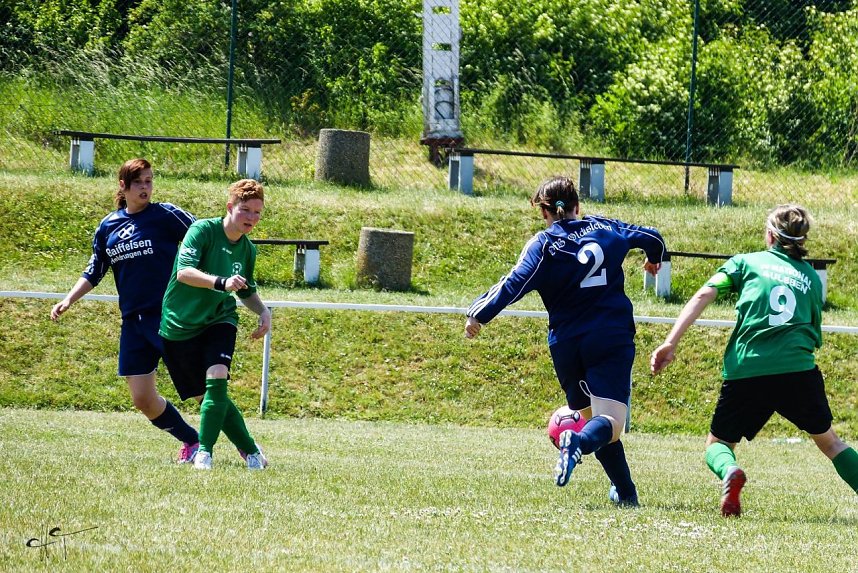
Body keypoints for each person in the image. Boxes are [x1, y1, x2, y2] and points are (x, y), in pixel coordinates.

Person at [464, 176, 666, 506]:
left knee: (593, 419)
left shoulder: (543, 244)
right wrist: (653, 259)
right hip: (610, 335)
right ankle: (577, 444)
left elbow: (515, 282)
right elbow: (650, 237)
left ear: (544, 212)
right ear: (577, 205)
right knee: (610, 423)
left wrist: (478, 314)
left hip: (567, 343)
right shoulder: (606, 226)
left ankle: (626, 495)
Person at [650, 204, 858, 517]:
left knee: (717, 444)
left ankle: (730, 470)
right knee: (831, 443)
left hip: (747, 368)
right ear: (801, 240)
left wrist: (670, 342)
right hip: (797, 370)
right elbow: (815, 334)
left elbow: (703, 296)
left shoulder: (746, 263)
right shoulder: (811, 279)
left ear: (771, 234)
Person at [50, 158, 201, 463]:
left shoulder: (165, 215)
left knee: (200, 391)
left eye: (149, 181)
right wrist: (69, 299)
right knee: (143, 399)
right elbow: (96, 269)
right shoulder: (109, 226)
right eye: (139, 182)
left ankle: (245, 445)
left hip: (169, 316)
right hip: (133, 322)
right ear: (123, 186)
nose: (145, 187)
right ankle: (192, 441)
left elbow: (205, 235)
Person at [159, 178, 271, 471]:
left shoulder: (248, 250)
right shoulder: (202, 231)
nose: (251, 218)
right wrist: (220, 282)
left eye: (257, 213)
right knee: (207, 397)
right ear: (230, 207)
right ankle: (249, 449)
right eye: (246, 210)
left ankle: (204, 453)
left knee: (218, 378)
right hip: (178, 324)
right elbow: (184, 273)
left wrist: (263, 311)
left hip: (220, 318)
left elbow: (245, 290)